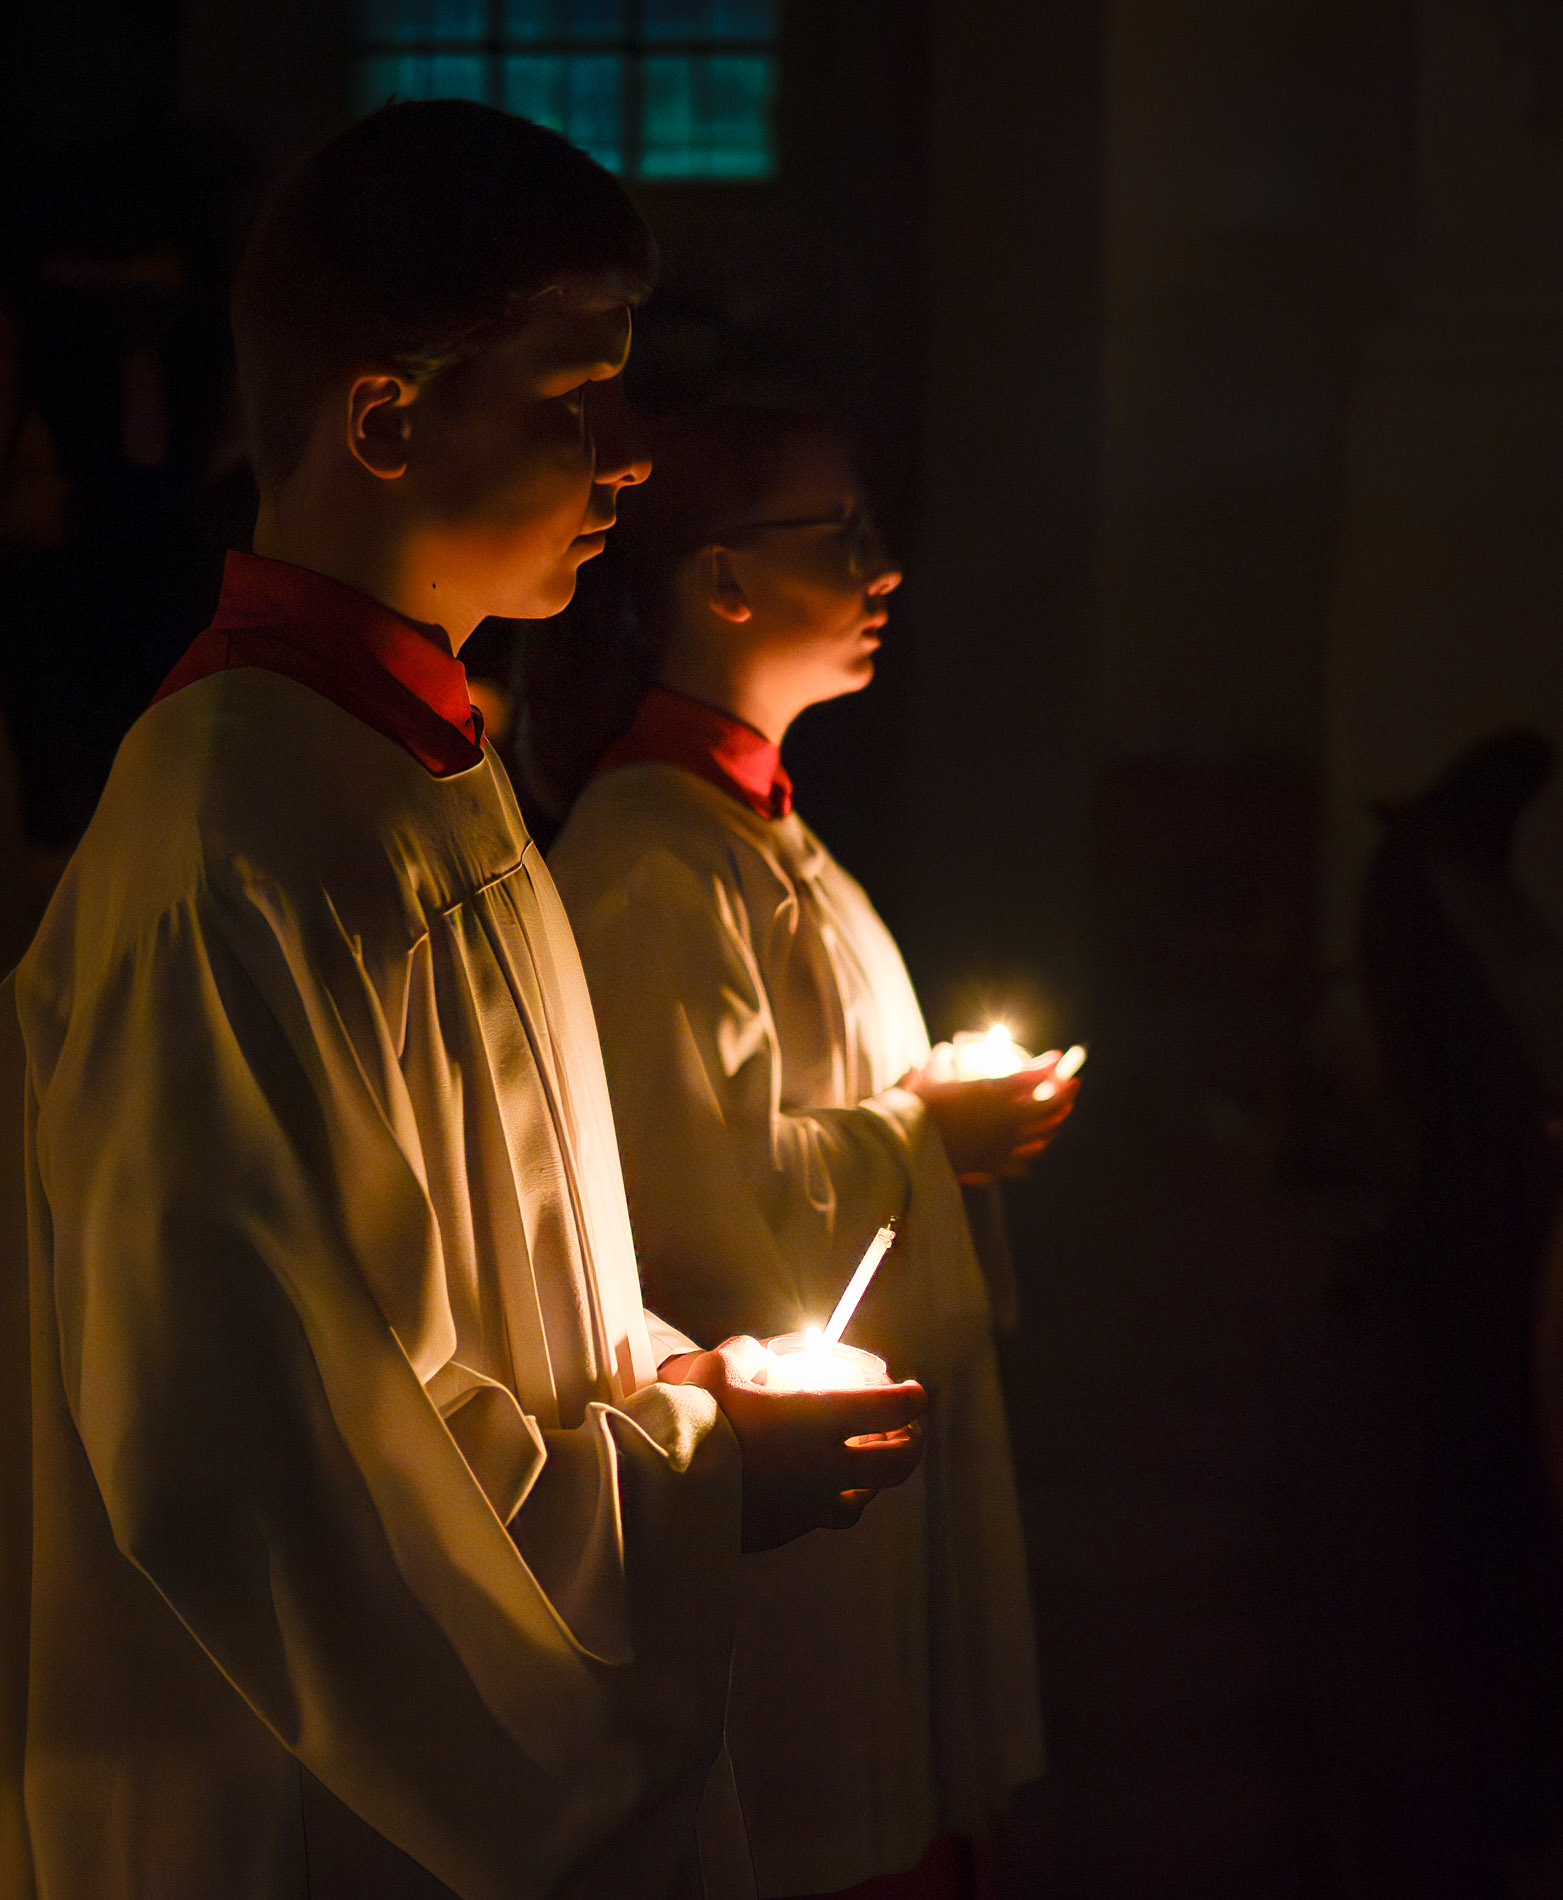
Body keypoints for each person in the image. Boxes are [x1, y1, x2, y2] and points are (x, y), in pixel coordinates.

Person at [0, 107, 928, 1900]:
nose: (633, 459)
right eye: (575, 399)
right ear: (383, 420)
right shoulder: (230, 844)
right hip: (327, 1817)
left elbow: (486, 1293)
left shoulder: (421, 766)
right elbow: (262, 1477)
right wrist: (696, 1477)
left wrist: (672, 1374)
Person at [548, 407, 1078, 1899]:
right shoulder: (653, 864)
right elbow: (695, 1207)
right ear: (723, 582)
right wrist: (921, 1132)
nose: (885, 569)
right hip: (780, 1496)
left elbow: (817, 1119)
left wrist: (939, 1132)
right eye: (840, 535)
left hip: (867, 1463)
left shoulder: (761, 828)